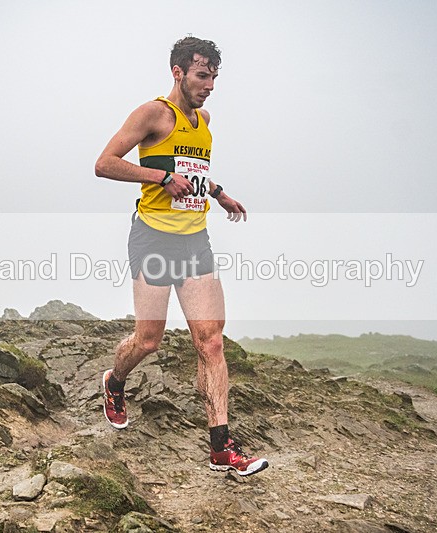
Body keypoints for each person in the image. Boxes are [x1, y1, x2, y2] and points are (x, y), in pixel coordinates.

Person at [94, 36, 268, 476]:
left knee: (210, 340)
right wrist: (159, 176)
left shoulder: (204, 119)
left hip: (195, 242)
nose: (209, 86)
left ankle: (221, 449)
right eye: (201, 76)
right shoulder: (154, 113)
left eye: (214, 77)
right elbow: (105, 163)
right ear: (178, 72)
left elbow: (192, 172)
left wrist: (219, 192)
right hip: (152, 240)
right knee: (148, 341)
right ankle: (115, 383)